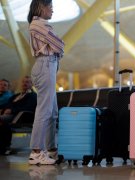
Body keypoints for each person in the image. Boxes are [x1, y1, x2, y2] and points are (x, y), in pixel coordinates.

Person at [27, 0, 64, 165]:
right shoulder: (37, 24)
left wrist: (57, 48)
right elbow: (59, 44)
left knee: (52, 112)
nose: (52, 11)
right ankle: (36, 152)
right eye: (50, 7)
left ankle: (51, 150)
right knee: (44, 111)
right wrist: (58, 47)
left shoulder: (41, 25)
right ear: (41, 7)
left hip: (48, 66)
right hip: (45, 65)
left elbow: (57, 46)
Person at [0, 76, 37, 155]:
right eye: (23, 82)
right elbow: (8, 104)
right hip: (11, 115)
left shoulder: (33, 96)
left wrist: (11, 110)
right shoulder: (16, 96)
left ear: (32, 84)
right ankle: (3, 147)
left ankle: (4, 147)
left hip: (20, 116)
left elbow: (28, 107)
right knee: (3, 124)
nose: (25, 83)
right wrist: (6, 109)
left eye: (27, 82)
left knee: (2, 122)